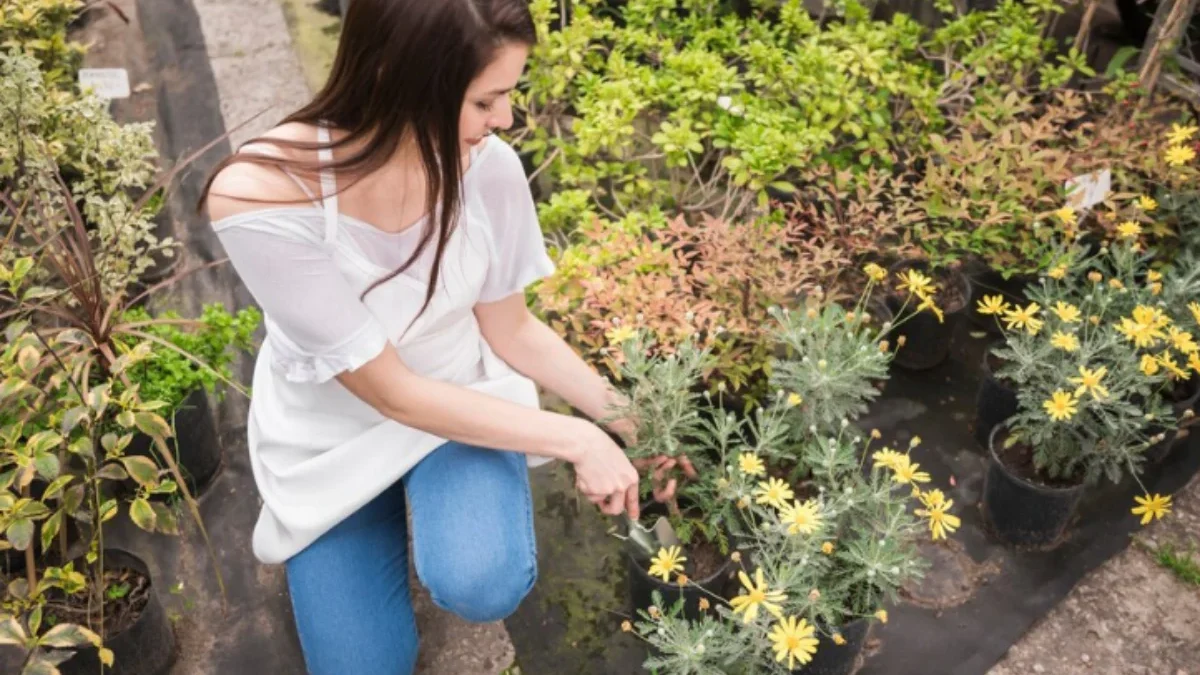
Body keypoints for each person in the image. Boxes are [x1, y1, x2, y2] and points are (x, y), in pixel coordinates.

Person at [201, 0, 693, 672]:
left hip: (460, 402)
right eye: (486, 100)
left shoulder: (488, 167)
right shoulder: (264, 197)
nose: (506, 120)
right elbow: (391, 392)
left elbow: (511, 327)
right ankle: (375, 519)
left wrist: (629, 418)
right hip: (334, 434)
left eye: (509, 96)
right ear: (396, 76)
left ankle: (441, 509)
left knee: (482, 578)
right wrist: (576, 436)